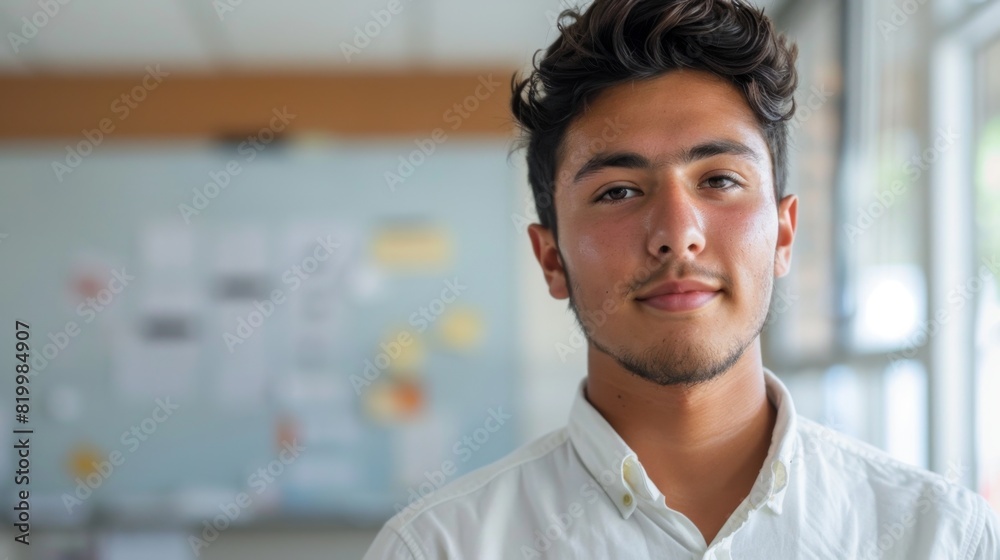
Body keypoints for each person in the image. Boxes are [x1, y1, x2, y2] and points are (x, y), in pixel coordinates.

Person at [363, 0, 1000, 557]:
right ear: (551, 258)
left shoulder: (941, 537)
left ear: (782, 233)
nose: (677, 231)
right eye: (618, 190)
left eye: (719, 180)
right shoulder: (439, 548)